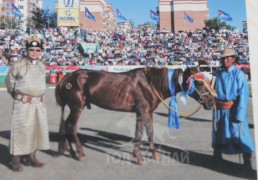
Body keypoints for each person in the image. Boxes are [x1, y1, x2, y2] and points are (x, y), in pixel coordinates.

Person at [5, 37, 50, 172]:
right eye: (31, 50)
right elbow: (9, 82)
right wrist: (17, 96)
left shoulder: (42, 65)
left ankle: (31, 157)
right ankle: (15, 161)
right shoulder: (18, 65)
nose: (34, 52)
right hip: (23, 104)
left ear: (40, 51)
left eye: (37, 50)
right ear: (27, 50)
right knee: (21, 131)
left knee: (36, 131)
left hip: (39, 104)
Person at [212, 48, 255, 169]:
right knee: (219, 135)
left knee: (241, 135)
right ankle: (218, 160)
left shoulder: (239, 74)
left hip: (234, 110)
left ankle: (247, 163)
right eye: (224, 58)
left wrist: (240, 115)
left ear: (233, 59)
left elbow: (243, 95)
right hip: (220, 110)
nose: (225, 60)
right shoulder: (218, 74)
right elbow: (213, 91)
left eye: (228, 58)